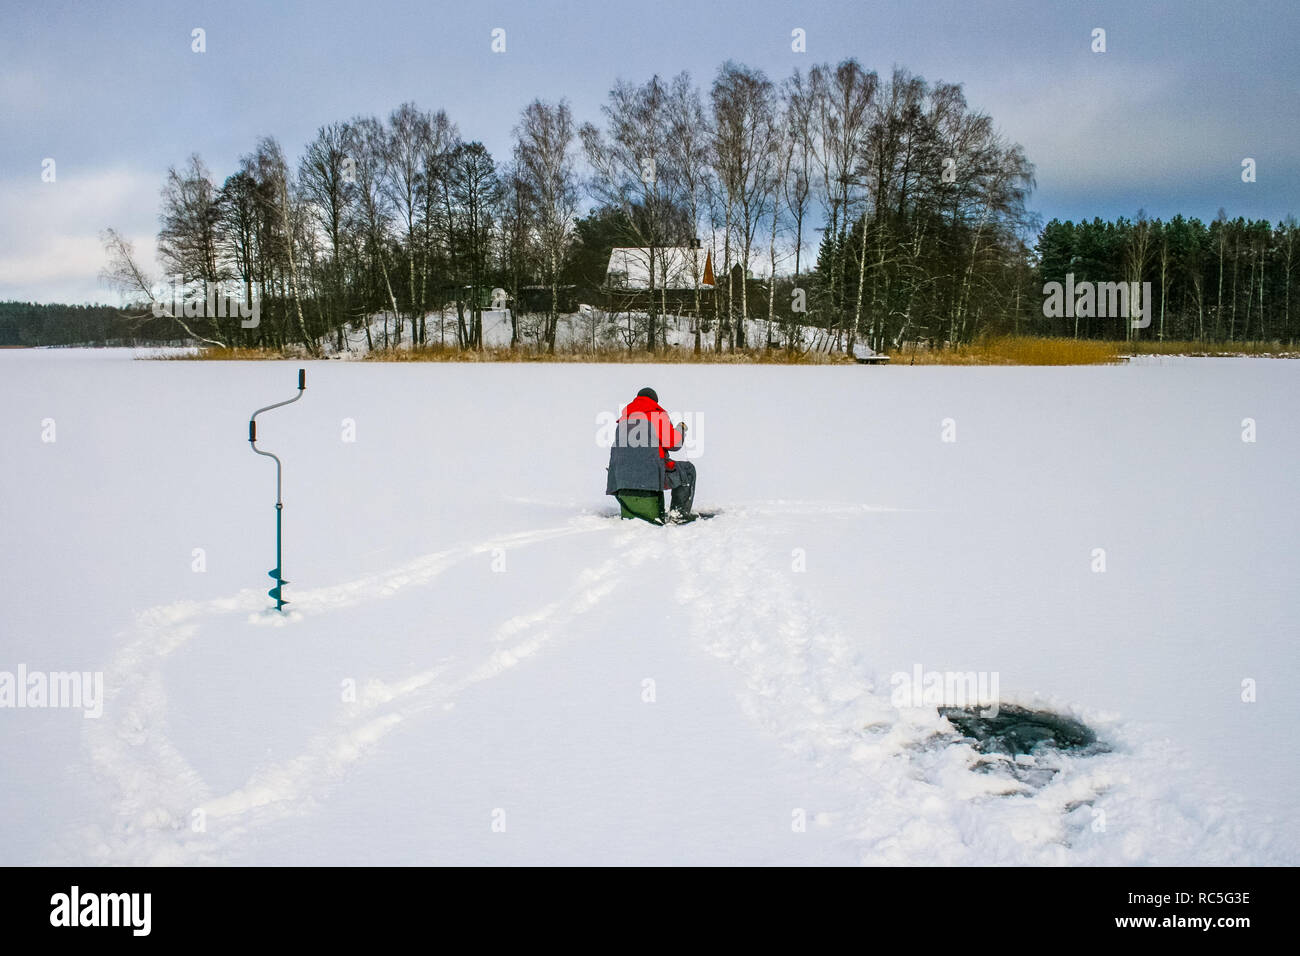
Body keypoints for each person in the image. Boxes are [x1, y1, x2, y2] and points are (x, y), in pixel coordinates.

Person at [606, 386, 697, 522]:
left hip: (622, 477)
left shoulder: (623, 420)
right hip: (651, 475)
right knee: (688, 470)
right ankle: (679, 515)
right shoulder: (657, 415)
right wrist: (681, 428)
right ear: (655, 402)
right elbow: (674, 444)